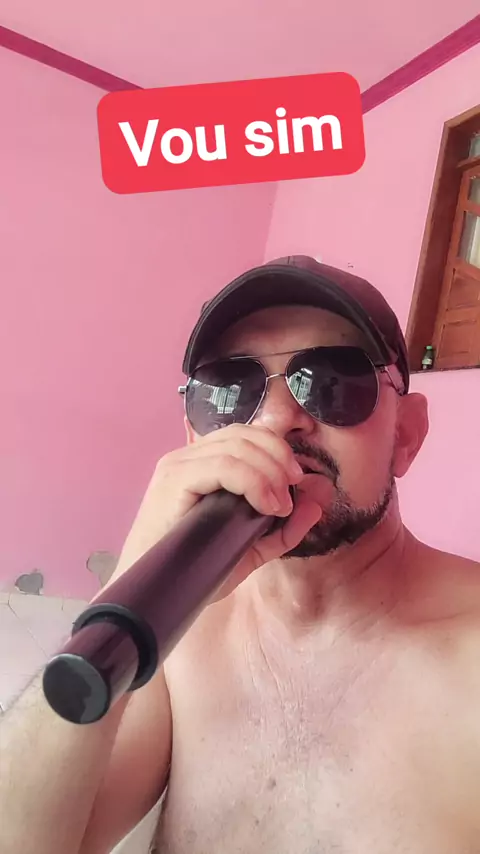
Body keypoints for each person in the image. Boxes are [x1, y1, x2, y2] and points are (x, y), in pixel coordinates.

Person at [2, 255, 480, 854]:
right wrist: (134, 577)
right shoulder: (181, 639)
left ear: (405, 435)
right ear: (195, 438)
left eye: (332, 381)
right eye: (229, 392)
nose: (276, 421)